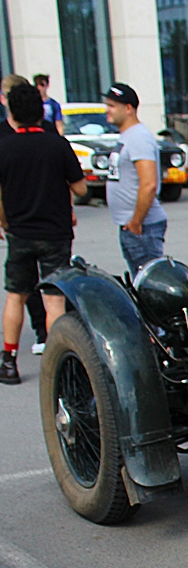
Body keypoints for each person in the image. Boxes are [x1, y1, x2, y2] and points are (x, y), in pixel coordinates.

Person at [0, 83, 87, 384]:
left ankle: (9, 360)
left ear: (12, 112)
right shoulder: (57, 144)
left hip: (19, 232)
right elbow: (81, 187)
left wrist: (4, 221)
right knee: (54, 300)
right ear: (41, 111)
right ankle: (59, 363)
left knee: (15, 295)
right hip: (55, 231)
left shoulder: (4, 146)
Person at [103, 82, 168, 275]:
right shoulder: (127, 136)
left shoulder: (138, 137)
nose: (107, 110)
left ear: (129, 108)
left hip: (143, 228)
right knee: (140, 284)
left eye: (112, 106)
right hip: (132, 225)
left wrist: (136, 222)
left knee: (150, 285)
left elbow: (148, 184)